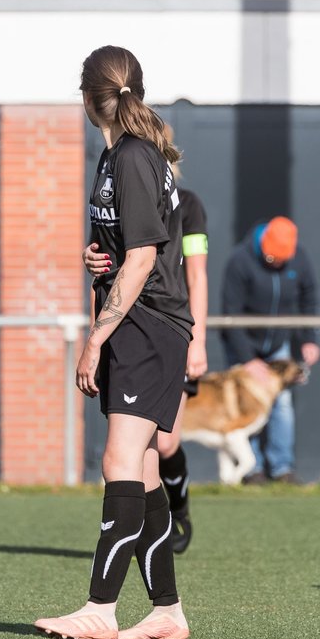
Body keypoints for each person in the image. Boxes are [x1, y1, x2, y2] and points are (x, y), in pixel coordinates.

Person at [34, 45, 192, 639]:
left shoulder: (130, 155)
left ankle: (100, 606)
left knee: (117, 461)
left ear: (86, 97)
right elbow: (134, 246)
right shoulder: (120, 155)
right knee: (145, 470)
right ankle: (167, 612)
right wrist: (99, 256)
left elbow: (148, 254)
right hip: (146, 323)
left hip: (147, 326)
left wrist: (95, 338)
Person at [85, 175, 208, 554]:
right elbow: (107, 257)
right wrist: (89, 257)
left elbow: (197, 273)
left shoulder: (186, 205)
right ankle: (148, 539)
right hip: (131, 332)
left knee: (167, 445)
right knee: (141, 452)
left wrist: (198, 340)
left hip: (169, 330)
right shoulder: (123, 198)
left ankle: (179, 512)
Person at [220, 216, 320, 484]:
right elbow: (231, 314)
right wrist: (248, 360)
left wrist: (310, 339)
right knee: (247, 404)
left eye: (282, 261)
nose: (277, 264)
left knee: (282, 404)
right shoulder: (240, 261)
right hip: (245, 344)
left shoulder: (299, 259)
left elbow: (309, 299)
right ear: (263, 245)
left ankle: (282, 467)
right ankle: (252, 469)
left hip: (278, 344)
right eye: (272, 259)